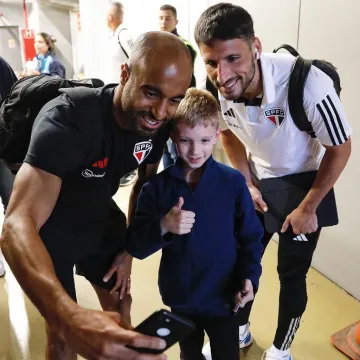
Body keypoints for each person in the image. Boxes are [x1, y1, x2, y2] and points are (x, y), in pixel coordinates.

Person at [0, 31, 192, 360]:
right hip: (52, 234)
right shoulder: (70, 117)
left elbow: (143, 187)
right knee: (62, 334)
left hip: (102, 223)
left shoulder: (155, 127)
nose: (160, 112)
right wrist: (69, 315)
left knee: (121, 311)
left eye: (174, 100)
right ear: (125, 74)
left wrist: (130, 250)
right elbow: (17, 223)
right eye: (151, 93)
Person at [194, 3, 352, 360]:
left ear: (256, 47)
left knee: (291, 274)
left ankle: (281, 349)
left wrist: (309, 206)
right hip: (257, 181)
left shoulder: (308, 83)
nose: (223, 74)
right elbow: (227, 133)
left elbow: (340, 148)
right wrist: (245, 180)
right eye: (211, 62)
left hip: (302, 183)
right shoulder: (216, 84)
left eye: (233, 58)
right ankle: (239, 330)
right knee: (239, 262)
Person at [126, 88, 264, 360]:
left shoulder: (233, 183)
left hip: (224, 298)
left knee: (227, 354)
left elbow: (251, 237)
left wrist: (250, 276)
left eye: (203, 140)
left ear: (216, 136)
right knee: (190, 355)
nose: (195, 150)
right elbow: (137, 246)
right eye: (186, 140)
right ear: (173, 138)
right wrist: (164, 226)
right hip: (182, 298)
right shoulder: (157, 189)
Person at [159, 4, 198, 169]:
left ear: (176, 21)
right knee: (164, 152)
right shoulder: (157, 44)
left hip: (177, 107)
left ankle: (180, 190)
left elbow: (184, 81)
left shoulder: (184, 46)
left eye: (168, 18)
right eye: (161, 18)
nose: (164, 21)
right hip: (160, 108)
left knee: (176, 151)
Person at [106, 1, 137, 186]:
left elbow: (138, 58)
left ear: (111, 17)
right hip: (114, 92)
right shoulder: (114, 36)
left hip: (127, 94)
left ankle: (130, 169)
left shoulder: (124, 35)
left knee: (127, 130)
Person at [0, 56, 18, 277]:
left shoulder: (1, 66)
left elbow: (15, 100)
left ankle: (16, 253)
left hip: (2, 148)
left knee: (13, 202)